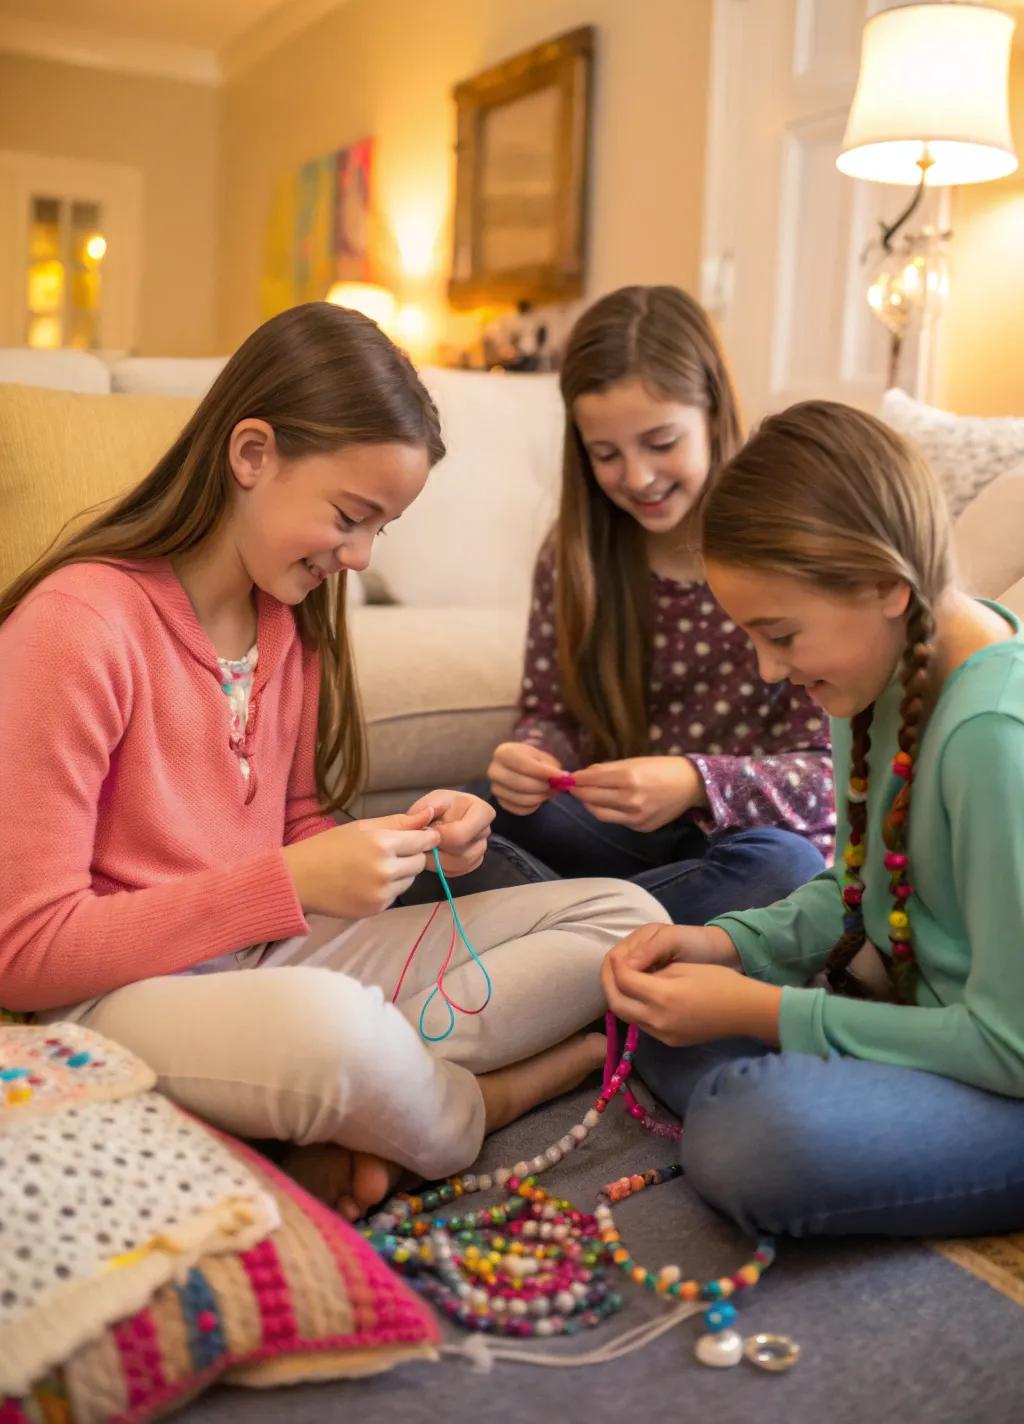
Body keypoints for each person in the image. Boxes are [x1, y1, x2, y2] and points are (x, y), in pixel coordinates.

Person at [0, 301, 665, 1220]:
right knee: (335, 1032)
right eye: (351, 516)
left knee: (623, 915)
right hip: (117, 996)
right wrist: (284, 881)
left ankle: (331, 1112)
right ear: (251, 455)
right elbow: (26, 953)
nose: (357, 557)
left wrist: (410, 843)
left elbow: (300, 831)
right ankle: (471, 1108)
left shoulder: (289, 621)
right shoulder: (80, 628)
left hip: (276, 957)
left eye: (380, 530)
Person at [605, 400, 1024, 1237]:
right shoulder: (870, 672)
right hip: (928, 1031)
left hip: (1005, 1068)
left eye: (781, 635)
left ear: (884, 584)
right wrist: (722, 946)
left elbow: (1010, 1045)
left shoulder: (993, 736)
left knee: (756, 1139)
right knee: (650, 1014)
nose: (767, 670)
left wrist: (758, 1013)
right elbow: (865, 887)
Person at [487, 285, 829, 924]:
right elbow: (551, 712)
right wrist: (530, 758)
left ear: (714, 412)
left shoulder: (785, 546)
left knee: (787, 871)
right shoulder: (574, 558)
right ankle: (602, 934)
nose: (638, 477)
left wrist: (697, 782)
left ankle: (563, 938)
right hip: (619, 838)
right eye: (606, 455)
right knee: (469, 811)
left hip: (747, 842)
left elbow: (831, 779)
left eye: (662, 441)